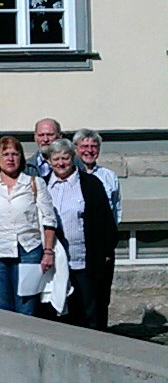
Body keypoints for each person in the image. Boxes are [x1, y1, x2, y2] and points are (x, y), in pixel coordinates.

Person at [0, 136, 58, 316]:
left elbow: (49, 220)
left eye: (15, 154)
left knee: (26, 307)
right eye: (5, 154)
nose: (10, 159)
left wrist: (48, 252)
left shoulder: (35, 184)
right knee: (0, 307)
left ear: (21, 158)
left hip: (28, 250)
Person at [44, 139, 117, 330]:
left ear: (73, 158)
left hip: (83, 259)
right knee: (58, 311)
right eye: (56, 159)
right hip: (54, 262)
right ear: (49, 161)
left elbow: (105, 220)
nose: (61, 163)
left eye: (65, 158)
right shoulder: (42, 185)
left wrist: (106, 251)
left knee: (88, 310)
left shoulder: (90, 184)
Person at [73, 128, 122, 224]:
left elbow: (116, 211)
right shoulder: (68, 175)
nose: (89, 150)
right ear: (75, 149)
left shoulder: (109, 177)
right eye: (84, 146)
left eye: (94, 146)